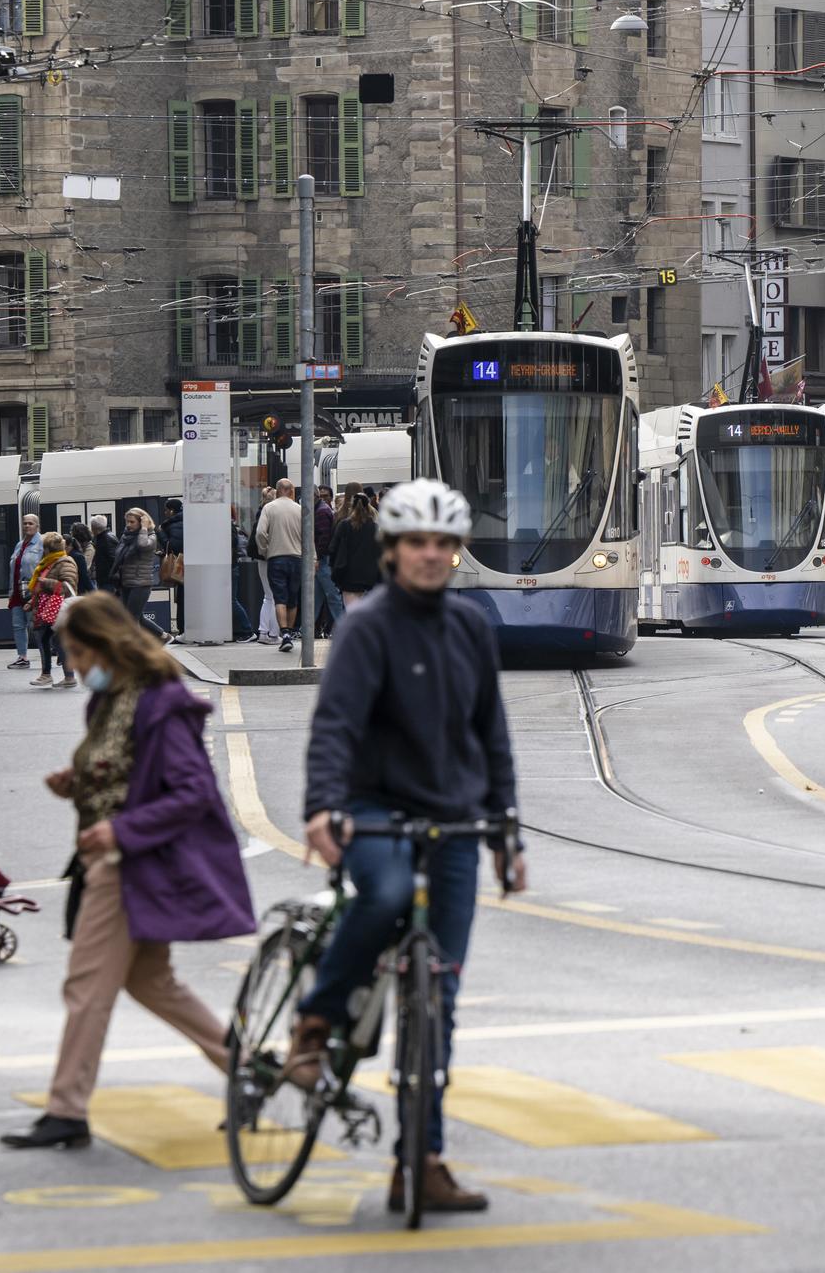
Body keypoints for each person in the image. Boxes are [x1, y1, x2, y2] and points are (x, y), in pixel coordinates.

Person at [291, 479, 524, 1215]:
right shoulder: (366, 627)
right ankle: (317, 1017)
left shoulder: (470, 627)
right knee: (386, 895)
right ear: (391, 551)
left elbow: (491, 732)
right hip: (373, 809)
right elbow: (334, 725)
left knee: (441, 992)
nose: (430, 554)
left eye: (443, 543)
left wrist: (505, 827)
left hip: (452, 817)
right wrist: (324, 806)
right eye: (416, 542)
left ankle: (419, 1162)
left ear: (456, 553)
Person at [1, 593, 254, 1150]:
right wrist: (77, 782)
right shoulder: (110, 700)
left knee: (86, 985)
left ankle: (67, 1108)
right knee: (150, 981)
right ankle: (255, 1074)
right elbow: (125, 775)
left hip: (128, 863)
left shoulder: (158, 703)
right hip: (119, 859)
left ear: (103, 646)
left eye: (75, 653)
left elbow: (191, 792)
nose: (72, 664)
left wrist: (120, 831)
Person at [26, 530, 80, 688]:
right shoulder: (49, 562)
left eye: (44, 547)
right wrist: (31, 601)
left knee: (49, 640)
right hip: (47, 607)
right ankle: (66, 677)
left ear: (49, 549)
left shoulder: (64, 562)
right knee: (54, 640)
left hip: (58, 609)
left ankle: (50, 675)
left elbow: (66, 587)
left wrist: (45, 582)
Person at [255, 480, 304, 651]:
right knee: (293, 599)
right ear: (291, 491)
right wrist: (312, 558)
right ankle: (290, 631)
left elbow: (260, 533)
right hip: (297, 558)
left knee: (279, 598)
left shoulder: (269, 508)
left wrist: (265, 550)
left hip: (276, 558)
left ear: (278, 491)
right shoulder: (300, 509)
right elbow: (308, 535)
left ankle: (284, 634)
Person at [111, 508, 165, 637]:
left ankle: (134, 648)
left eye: (132, 522)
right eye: (127, 522)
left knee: (131, 618)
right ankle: (163, 636)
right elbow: (118, 554)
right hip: (125, 582)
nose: (128, 525)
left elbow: (142, 545)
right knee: (133, 616)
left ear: (142, 522)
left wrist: (144, 528)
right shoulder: (126, 537)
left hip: (141, 583)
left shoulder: (150, 536)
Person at [329, 484, 382, 606]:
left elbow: (333, 549)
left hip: (348, 578)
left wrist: (334, 569)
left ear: (351, 506)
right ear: (368, 506)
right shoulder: (374, 527)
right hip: (370, 578)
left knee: (351, 613)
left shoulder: (344, 525)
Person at [6, 514, 43, 670]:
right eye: (25, 523)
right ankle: (22, 657)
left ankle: (45, 655)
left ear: (37, 526)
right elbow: (13, 569)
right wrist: (10, 591)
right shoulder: (19, 545)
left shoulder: (42, 544)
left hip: (32, 591)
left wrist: (39, 591)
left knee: (37, 625)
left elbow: (46, 568)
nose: (27, 526)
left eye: (30, 523)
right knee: (18, 625)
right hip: (17, 590)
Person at [312, 485, 343, 634]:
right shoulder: (322, 509)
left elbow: (324, 538)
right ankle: (307, 627)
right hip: (322, 560)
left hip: (322, 560)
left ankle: (344, 628)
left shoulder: (321, 512)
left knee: (332, 595)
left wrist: (317, 557)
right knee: (316, 597)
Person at [160, 499, 185, 635]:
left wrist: (161, 534)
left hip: (182, 568)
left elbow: (173, 546)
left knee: (182, 599)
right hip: (187, 566)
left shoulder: (174, 525)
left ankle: (183, 630)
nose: (165, 513)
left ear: (171, 511)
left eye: (166, 510)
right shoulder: (185, 521)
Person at [65, 523, 97, 595]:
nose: (70, 534)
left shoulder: (89, 548)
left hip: (89, 580)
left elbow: (86, 566)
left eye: (72, 532)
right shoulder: (78, 546)